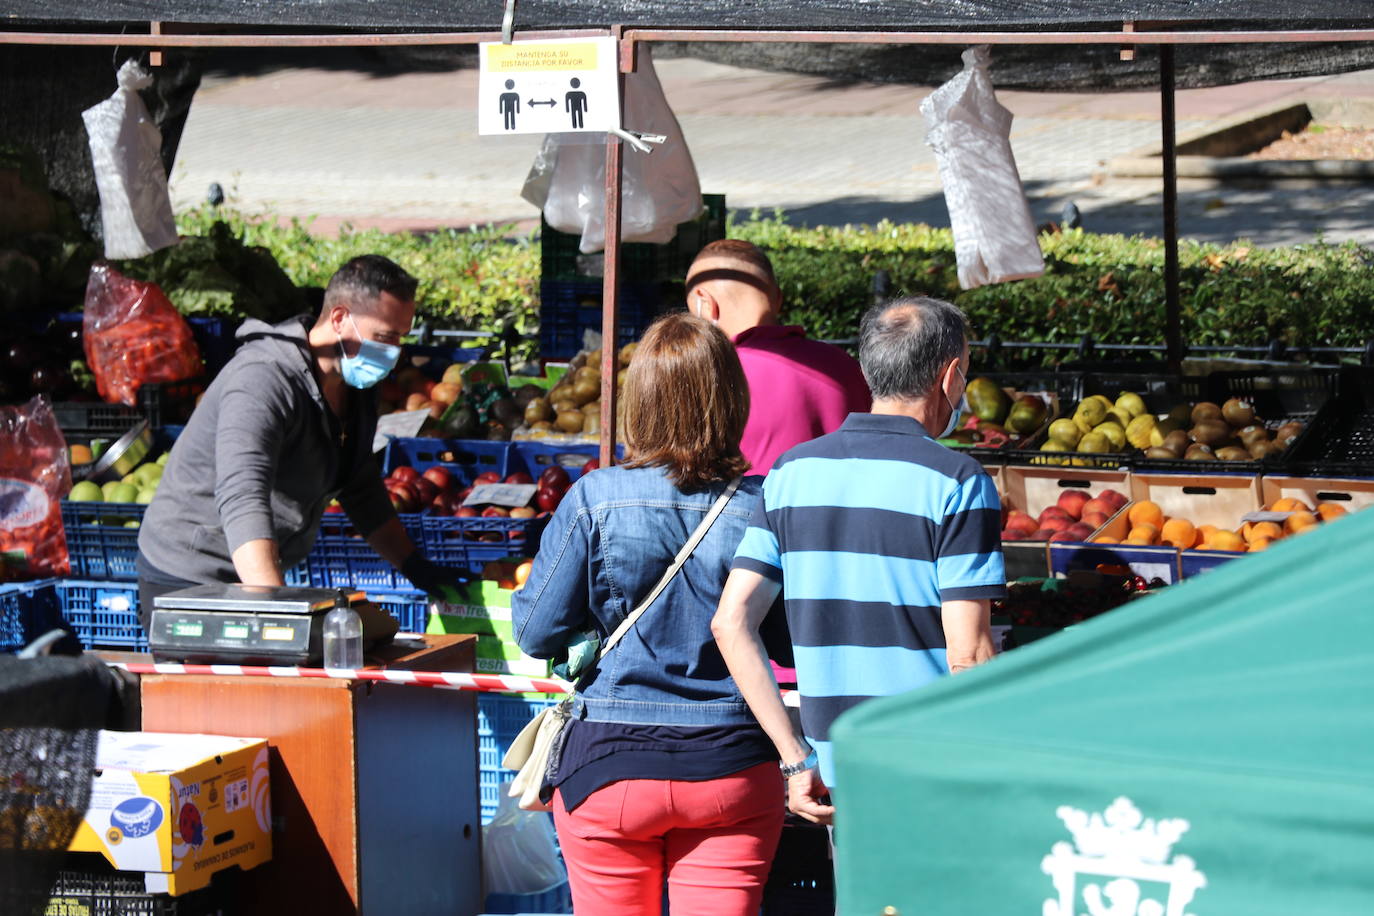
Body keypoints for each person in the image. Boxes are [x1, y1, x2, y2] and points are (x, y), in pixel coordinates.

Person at [511, 313, 788, 915]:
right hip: (732, 764)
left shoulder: (594, 497)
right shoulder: (765, 506)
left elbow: (535, 632)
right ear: (731, 399)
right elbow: (788, 643)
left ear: (638, 401)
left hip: (606, 766)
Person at [712, 296, 1004, 829]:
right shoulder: (959, 481)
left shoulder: (789, 473)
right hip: (930, 769)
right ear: (951, 376)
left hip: (836, 770)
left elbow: (730, 623)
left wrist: (796, 757)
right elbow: (969, 653)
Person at [135, 255, 463, 628]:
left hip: (256, 574)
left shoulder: (355, 386)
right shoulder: (263, 379)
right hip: (189, 577)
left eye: (401, 338)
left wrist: (413, 564)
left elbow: (358, 483)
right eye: (385, 337)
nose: (393, 353)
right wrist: (277, 613)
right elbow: (244, 496)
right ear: (339, 319)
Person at [686, 238, 871, 474]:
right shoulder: (844, 366)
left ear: (706, 303)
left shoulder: (714, 376)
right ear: (779, 298)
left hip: (755, 510)